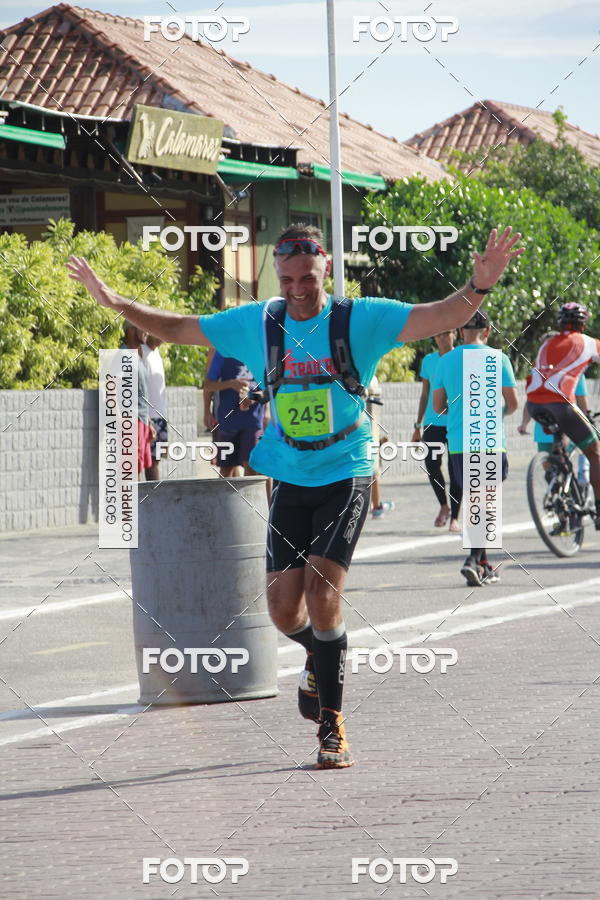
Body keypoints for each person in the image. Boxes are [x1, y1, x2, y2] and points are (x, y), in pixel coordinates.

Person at [68, 223, 523, 769]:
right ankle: (320, 654)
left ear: (326, 268)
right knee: (284, 609)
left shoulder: (361, 319)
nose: (298, 288)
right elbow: (180, 326)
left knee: (324, 593)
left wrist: (479, 287)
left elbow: (439, 315)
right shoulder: (259, 322)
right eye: (287, 279)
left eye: (307, 277)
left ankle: (332, 724)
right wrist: (115, 301)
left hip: (347, 466)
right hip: (288, 470)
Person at [432, 309, 519, 586]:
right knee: (485, 502)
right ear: (488, 331)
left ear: (459, 332)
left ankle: (481, 564)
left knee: (477, 501)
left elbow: (437, 407)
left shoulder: (445, 361)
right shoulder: (499, 358)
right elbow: (513, 404)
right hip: (490, 440)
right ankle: (472, 559)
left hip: (459, 443)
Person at [525, 303, 600, 528]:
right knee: (595, 453)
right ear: (583, 323)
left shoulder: (547, 343)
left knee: (559, 446)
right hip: (561, 404)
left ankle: (560, 492)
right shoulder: (587, 342)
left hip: (534, 404)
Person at [412, 330, 462, 531]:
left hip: (456, 421)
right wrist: (417, 425)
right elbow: (425, 394)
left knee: (455, 468)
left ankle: (455, 517)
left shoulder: (461, 357)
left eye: (447, 333)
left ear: (455, 334)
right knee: (431, 465)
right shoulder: (429, 360)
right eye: (439, 334)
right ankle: (444, 506)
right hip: (433, 422)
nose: (442, 337)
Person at [203, 352, 265, 478]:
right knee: (226, 470)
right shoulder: (222, 351)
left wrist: (253, 398)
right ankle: (224, 498)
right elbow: (208, 384)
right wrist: (231, 383)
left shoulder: (260, 351)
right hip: (227, 421)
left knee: (252, 467)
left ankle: (249, 498)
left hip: (252, 421)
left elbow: (271, 388)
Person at [121, 322, 153, 480]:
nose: (147, 331)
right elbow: (111, 389)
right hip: (131, 422)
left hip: (141, 421)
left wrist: (148, 422)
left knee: (138, 470)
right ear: (131, 330)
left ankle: (139, 505)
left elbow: (140, 393)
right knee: (131, 474)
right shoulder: (122, 355)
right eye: (143, 327)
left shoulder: (137, 355)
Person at [141, 335, 168, 481]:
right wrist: (146, 418)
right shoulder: (141, 352)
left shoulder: (156, 354)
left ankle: (154, 499)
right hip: (148, 417)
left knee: (155, 461)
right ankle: (145, 500)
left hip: (160, 417)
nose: (162, 337)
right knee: (146, 463)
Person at [366, 375, 394, 518]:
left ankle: (375, 505)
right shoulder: (370, 378)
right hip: (368, 434)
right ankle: (376, 506)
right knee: (374, 466)